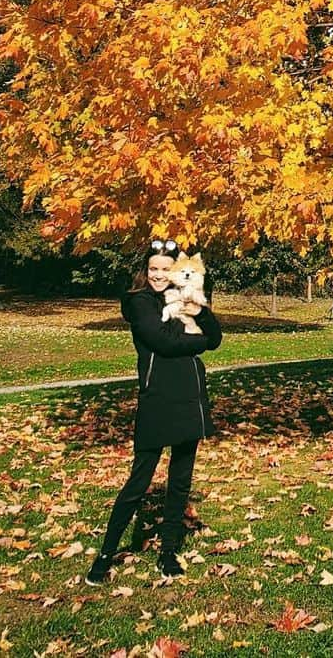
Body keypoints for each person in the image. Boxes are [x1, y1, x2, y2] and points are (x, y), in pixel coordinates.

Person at [85, 238, 222, 584]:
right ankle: (105, 555)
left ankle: (168, 553)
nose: (159, 276)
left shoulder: (184, 297)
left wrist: (201, 313)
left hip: (190, 395)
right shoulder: (139, 302)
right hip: (158, 398)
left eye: (165, 269)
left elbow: (216, 336)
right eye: (153, 269)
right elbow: (163, 341)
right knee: (139, 481)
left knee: (180, 482)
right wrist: (199, 342)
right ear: (144, 272)